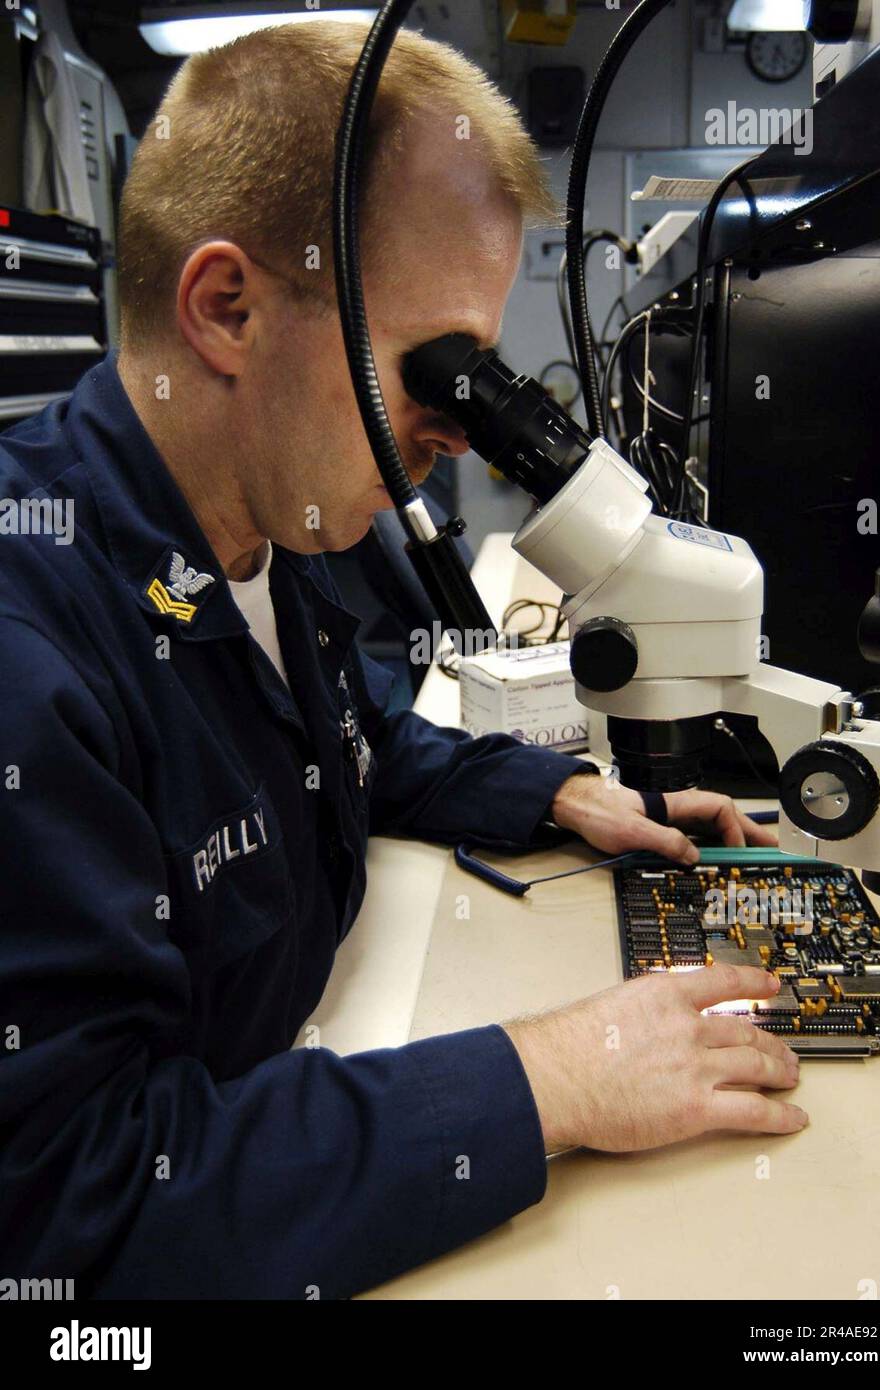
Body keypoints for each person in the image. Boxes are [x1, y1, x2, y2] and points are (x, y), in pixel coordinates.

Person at [0, 21, 805, 1301]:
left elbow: (345, 737)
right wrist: (552, 1077)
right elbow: (79, 1205)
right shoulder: (30, 653)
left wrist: (554, 795)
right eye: (429, 368)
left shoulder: (270, 525)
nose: (452, 428)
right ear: (228, 309)